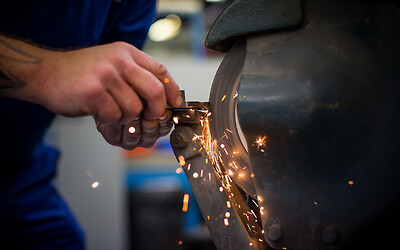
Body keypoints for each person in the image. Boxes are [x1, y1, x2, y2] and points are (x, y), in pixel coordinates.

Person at [0, 0, 182, 249]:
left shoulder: (133, 5)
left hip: (19, 173)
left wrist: (122, 113)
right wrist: (45, 71)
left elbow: (114, 88)